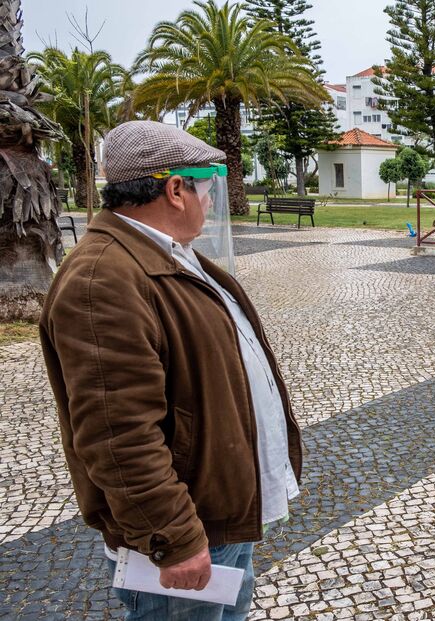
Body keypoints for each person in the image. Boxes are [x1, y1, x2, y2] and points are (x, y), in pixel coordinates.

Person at [39, 121, 302, 620]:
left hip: (219, 516)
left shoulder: (167, 255)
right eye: (205, 189)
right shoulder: (103, 281)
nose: (209, 203)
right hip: (186, 532)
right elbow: (118, 434)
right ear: (175, 189)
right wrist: (173, 536)